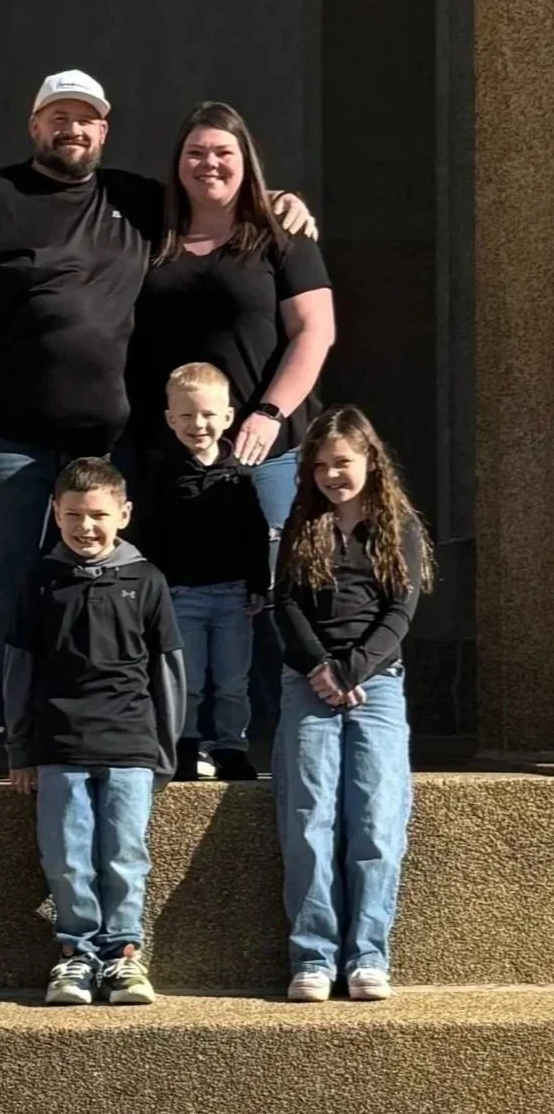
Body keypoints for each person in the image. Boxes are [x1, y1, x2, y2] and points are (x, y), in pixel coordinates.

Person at [0, 70, 315, 781]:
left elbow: (216, 198)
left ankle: (106, 738)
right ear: (35, 126)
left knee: (111, 590)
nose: (73, 129)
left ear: (105, 128)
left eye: (86, 118)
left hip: (105, 449)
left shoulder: (134, 201)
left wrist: (280, 203)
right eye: (58, 116)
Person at [125, 100, 335, 718]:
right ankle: (184, 734)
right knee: (174, 601)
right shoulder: (149, 237)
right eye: (195, 152)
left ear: (247, 162)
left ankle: (285, 731)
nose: (208, 164)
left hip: (267, 451)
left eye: (223, 153)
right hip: (167, 455)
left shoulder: (280, 238)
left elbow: (314, 333)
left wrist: (267, 414)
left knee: (275, 591)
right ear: (177, 163)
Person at [4, 458, 186, 1006]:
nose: (86, 527)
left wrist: (165, 752)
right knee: (66, 853)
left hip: (131, 744)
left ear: (123, 514)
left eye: (98, 515)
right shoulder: (40, 581)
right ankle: (77, 954)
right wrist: (19, 747)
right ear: (56, 515)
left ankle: (123, 956)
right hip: (59, 745)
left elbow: (169, 671)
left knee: (124, 853)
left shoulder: (147, 580)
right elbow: (19, 667)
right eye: (73, 516)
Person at [271, 405, 434, 1003]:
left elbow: (401, 610)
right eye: (320, 467)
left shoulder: (399, 526)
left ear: (370, 460)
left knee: (376, 816)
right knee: (309, 816)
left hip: (377, 683)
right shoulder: (302, 525)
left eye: (342, 463)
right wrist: (320, 668)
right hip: (308, 682)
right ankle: (313, 956)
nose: (332, 476)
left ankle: (367, 954)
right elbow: (284, 603)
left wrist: (355, 669)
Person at [137, 363, 269, 781]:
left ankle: (230, 747)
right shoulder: (159, 474)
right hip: (181, 595)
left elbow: (255, 533)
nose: (199, 425)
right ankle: (185, 745)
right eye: (188, 415)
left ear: (228, 417)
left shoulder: (241, 476)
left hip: (233, 595)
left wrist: (257, 584)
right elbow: (149, 536)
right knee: (187, 679)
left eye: (209, 415)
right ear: (170, 419)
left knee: (232, 680)